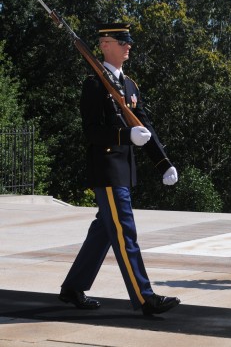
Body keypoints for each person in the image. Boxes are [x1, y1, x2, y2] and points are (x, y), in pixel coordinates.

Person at [58, 23, 181, 316]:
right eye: (122, 41)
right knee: (125, 232)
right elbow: (91, 132)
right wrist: (125, 136)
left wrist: (163, 162)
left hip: (123, 170)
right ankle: (144, 297)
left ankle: (73, 287)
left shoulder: (129, 85)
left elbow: (145, 127)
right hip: (108, 169)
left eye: (128, 41)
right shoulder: (94, 84)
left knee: (104, 230)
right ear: (104, 45)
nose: (129, 46)